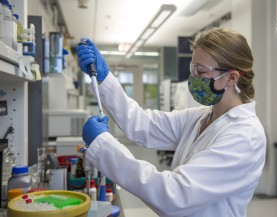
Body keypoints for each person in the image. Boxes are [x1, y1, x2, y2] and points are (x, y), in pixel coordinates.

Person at [76, 27, 266, 217]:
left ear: (231, 78)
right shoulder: (201, 117)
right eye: (192, 69)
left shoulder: (244, 136)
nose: (193, 78)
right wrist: (104, 79)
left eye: (201, 71)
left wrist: (103, 146)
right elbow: (142, 124)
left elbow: (175, 195)